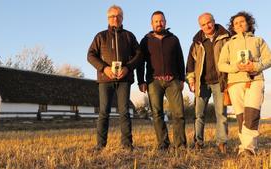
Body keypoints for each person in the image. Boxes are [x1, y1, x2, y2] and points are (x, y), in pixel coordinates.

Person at [87, 5, 142, 151]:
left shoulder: (129, 36)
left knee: (124, 111)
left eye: (118, 16)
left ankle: (127, 145)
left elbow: (139, 55)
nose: (115, 18)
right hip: (105, 80)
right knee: (104, 112)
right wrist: (104, 68)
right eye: (112, 16)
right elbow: (90, 55)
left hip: (124, 79)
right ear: (108, 18)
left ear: (122, 18)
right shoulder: (100, 36)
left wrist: (127, 68)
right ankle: (100, 145)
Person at [218, 11, 271, 157]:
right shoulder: (229, 44)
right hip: (235, 82)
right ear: (233, 27)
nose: (239, 25)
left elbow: (269, 59)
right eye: (236, 23)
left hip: (255, 80)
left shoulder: (258, 40)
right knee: (241, 117)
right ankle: (246, 148)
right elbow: (221, 65)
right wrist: (236, 67)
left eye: (242, 21)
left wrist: (255, 66)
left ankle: (247, 148)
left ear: (248, 23)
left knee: (252, 114)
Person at [137, 11, 186, 151]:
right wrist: (141, 81)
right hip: (154, 82)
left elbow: (180, 60)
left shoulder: (174, 39)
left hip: (173, 81)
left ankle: (180, 144)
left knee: (179, 113)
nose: (159, 23)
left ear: (165, 22)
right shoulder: (145, 40)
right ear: (152, 24)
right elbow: (140, 63)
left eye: (161, 21)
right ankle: (163, 144)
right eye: (156, 21)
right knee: (157, 114)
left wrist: (182, 79)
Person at [186, 13, 229, 153]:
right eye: (203, 24)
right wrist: (191, 80)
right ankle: (198, 142)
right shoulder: (196, 42)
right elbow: (190, 63)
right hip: (201, 83)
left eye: (209, 23)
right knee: (199, 115)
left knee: (221, 114)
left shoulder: (225, 38)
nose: (207, 26)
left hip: (219, 82)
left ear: (214, 21)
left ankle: (221, 142)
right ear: (200, 26)